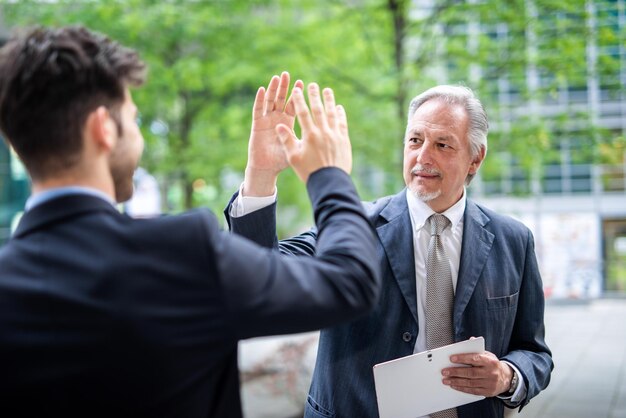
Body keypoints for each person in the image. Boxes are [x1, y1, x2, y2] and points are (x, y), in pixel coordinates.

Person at [0, 26, 382, 418]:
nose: (138, 137)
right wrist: (329, 175)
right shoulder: (180, 252)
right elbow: (349, 282)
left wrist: (261, 176)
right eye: (133, 120)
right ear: (103, 129)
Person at [226, 83, 554, 417]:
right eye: (415, 140)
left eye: (442, 144)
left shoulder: (513, 240)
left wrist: (507, 377)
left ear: (475, 158)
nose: (423, 157)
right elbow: (262, 276)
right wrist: (261, 175)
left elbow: (534, 353)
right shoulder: (352, 225)